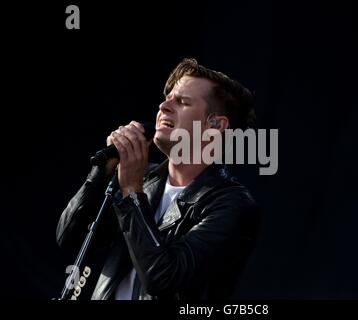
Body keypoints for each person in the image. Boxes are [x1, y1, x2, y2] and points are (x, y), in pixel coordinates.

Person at [56, 58, 260, 300]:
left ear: (215, 125)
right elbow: (70, 237)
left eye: (182, 102)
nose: (164, 106)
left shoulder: (232, 204)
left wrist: (131, 192)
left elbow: (164, 278)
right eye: (167, 98)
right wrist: (101, 173)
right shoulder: (145, 178)